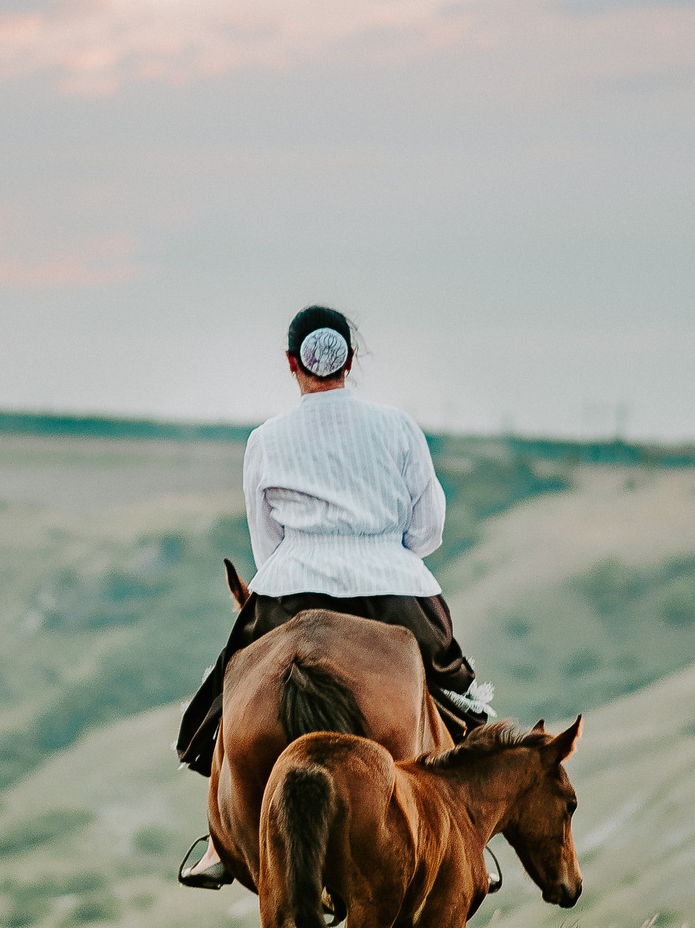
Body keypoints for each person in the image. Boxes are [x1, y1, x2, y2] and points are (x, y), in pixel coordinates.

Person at [175, 305, 493, 890]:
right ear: (352, 359)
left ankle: (224, 843)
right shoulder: (399, 427)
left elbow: (264, 541)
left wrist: (308, 554)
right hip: (395, 586)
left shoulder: (265, 439)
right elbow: (429, 531)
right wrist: (382, 549)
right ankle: (470, 843)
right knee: (466, 706)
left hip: (292, 583)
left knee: (219, 703)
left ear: (291, 363)